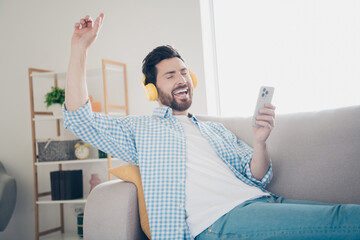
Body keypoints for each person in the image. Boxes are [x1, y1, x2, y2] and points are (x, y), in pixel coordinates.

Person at [63, 13, 360, 240]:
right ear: (151, 90)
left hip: (259, 202)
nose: (181, 79)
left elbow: (257, 176)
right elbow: (81, 120)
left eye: (183, 72)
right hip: (217, 220)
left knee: (344, 213)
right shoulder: (141, 131)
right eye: (170, 76)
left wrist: (260, 141)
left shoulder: (213, 131)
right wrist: (80, 48)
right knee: (341, 218)